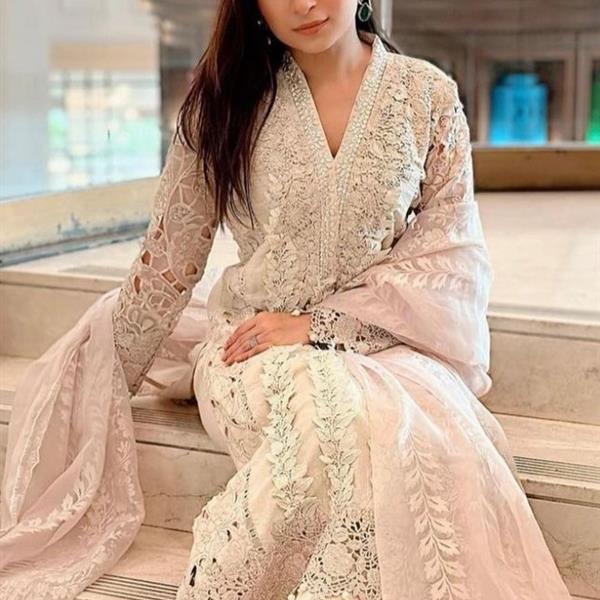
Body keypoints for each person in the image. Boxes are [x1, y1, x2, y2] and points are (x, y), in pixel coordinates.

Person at [0, 1, 573, 599]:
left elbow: (450, 261)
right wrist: (106, 383)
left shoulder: (427, 97)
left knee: (395, 436)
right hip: (250, 346)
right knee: (335, 423)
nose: (303, 4)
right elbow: (169, 265)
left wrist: (324, 326)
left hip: (385, 349)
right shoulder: (226, 101)